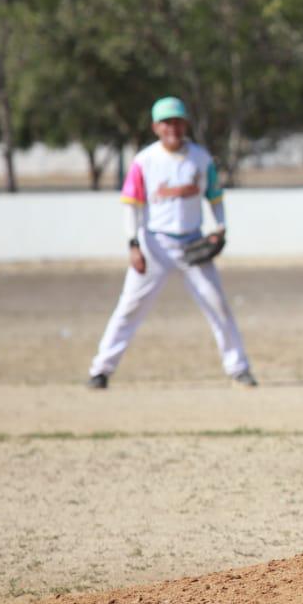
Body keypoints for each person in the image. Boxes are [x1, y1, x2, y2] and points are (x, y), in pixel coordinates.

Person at [86, 96, 255, 389]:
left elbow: (214, 197)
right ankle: (101, 370)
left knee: (218, 306)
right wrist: (133, 244)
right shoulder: (145, 161)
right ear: (156, 127)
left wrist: (221, 228)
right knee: (129, 308)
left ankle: (238, 368)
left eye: (177, 121)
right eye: (166, 122)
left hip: (192, 244)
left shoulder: (200, 158)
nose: (172, 128)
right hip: (154, 245)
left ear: (185, 124)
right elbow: (132, 205)